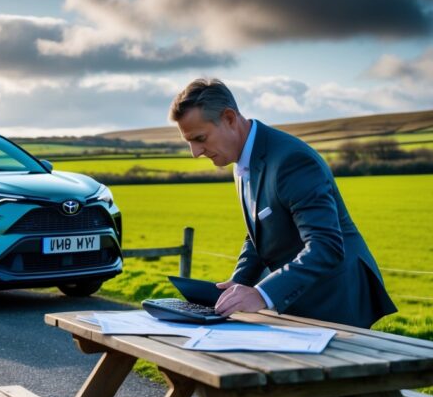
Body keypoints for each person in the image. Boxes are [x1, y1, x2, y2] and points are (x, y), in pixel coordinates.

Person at [170, 78, 397, 328]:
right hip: (298, 301)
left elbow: (326, 245)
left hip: (337, 301)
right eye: (189, 142)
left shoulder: (292, 161)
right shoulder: (242, 160)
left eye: (200, 138)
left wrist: (261, 294)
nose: (195, 152)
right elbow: (259, 232)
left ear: (229, 118)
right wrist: (238, 283)